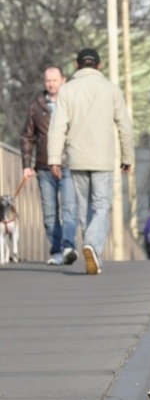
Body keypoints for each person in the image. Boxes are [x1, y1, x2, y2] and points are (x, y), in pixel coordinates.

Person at [48, 48, 134, 275]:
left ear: (76, 65)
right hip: (103, 158)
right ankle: (92, 246)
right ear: (100, 65)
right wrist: (127, 157)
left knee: (84, 209)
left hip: (76, 158)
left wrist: (54, 159)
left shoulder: (67, 91)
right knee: (101, 207)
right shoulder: (112, 90)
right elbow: (124, 126)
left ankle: (93, 257)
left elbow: (58, 127)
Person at [20, 66, 78, 266]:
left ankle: (69, 246)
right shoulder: (36, 106)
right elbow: (27, 136)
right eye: (48, 81)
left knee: (70, 208)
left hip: (68, 164)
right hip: (44, 167)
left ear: (63, 80)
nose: (51, 84)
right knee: (50, 213)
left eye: (54, 80)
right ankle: (57, 250)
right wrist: (26, 165)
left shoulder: (72, 103)